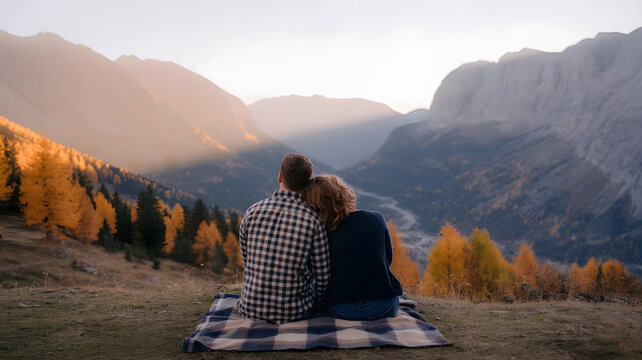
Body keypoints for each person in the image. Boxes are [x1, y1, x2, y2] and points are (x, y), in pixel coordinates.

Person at [237, 153, 330, 324]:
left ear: (280, 176)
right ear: (308, 182)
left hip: (250, 308)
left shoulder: (252, 211)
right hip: (295, 313)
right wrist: (318, 301)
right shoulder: (313, 220)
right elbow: (323, 277)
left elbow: (247, 260)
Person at [301, 175, 403, 321]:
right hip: (383, 306)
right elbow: (388, 259)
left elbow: (318, 272)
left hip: (341, 308)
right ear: (343, 192)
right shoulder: (376, 218)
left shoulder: (322, 231)